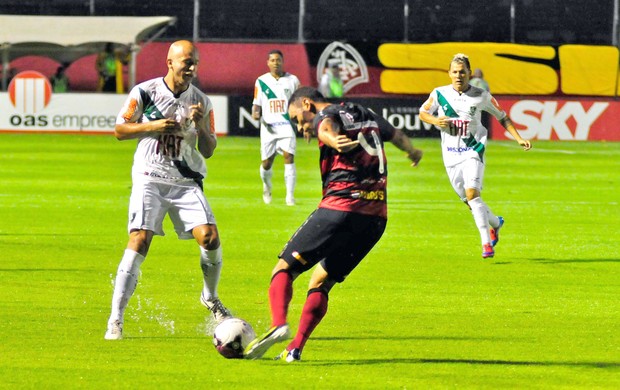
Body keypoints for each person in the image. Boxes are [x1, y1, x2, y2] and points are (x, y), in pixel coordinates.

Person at [244, 87, 423, 362]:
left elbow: (325, 126)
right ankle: (294, 349)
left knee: (284, 268)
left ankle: (278, 324)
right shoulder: (367, 114)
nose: (299, 124)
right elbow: (397, 136)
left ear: (307, 103)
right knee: (321, 282)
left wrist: (331, 139)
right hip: (375, 218)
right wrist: (413, 152)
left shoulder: (324, 114)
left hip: (340, 208)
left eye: (297, 118)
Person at [104, 40, 231, 340]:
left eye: (195, 62)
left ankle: (210, 297)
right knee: (139, 240)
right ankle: (116, 318)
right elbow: (120, 130)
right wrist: (153, 127)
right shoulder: (145, 92)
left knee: (210, 238)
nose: (191, 67)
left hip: (185, 181)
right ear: (169, 62)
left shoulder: (202, 101)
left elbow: (209, 149)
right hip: (149, 176)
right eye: (186, 61)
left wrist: (200, 127)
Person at [418, 53, 532, 259]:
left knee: (473, 194)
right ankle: (496, 224)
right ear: (449, 73)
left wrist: (519, 138)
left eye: (462, 72)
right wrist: (436, 121)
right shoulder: (439, 93)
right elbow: (423, 113)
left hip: (474, 149)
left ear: (470, 73)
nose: (458, 75)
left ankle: (486, 244)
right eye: (455, 72)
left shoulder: (481, 95)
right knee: (469, 200)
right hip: (450, 154)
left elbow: (503, 117)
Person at [252, 49, 300, 206]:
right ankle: (266, 186)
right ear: (268, 62)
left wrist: (300, 121)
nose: (275, 63)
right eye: (272, 60)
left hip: (287, 126)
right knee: (267, 163)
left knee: (289, 156)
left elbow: (299, 103)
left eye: (278, 60)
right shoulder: (261, 81)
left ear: (282, 61)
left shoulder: (293, 80)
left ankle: (290, 197)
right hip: (269, 127)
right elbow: (256, 104)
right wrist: (255, 114)